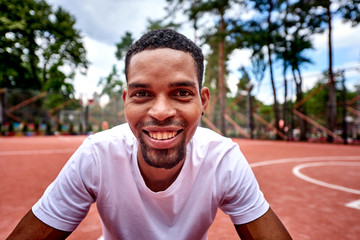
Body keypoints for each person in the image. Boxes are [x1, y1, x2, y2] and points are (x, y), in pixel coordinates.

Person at [7, 29, 292, 240]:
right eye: (142, 93)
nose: (161, 111)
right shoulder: (97, 154)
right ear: (126, 100)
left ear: (203, 101)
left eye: (181, 93)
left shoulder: (223, 160)